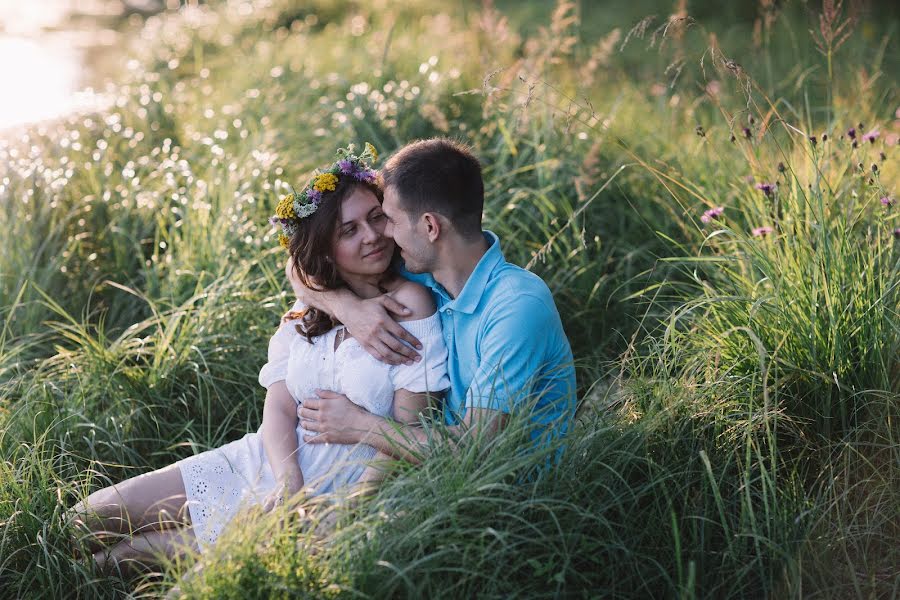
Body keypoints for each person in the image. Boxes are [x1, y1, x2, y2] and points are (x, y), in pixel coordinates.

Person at [69, 143, 450, 571]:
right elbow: (280, 404)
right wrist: (288, 483)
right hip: (267, 462)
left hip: (338, 485)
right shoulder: (311, 309)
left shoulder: (410, 304)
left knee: (122, 557)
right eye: (349, 230)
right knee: (84, 519)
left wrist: (345, 508)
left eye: (376, 217)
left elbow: (410, 430)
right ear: (325, 250)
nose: (372, 235)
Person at [292, 138, 576, 463]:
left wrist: (359, 424)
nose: (384, 234)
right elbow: (299, 269)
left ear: (430, 226)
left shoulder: (516, 306)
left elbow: (474, 449)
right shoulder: (427, 272)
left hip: (507, 496)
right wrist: (349, 309)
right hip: (427, 468)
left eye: (391, 220)